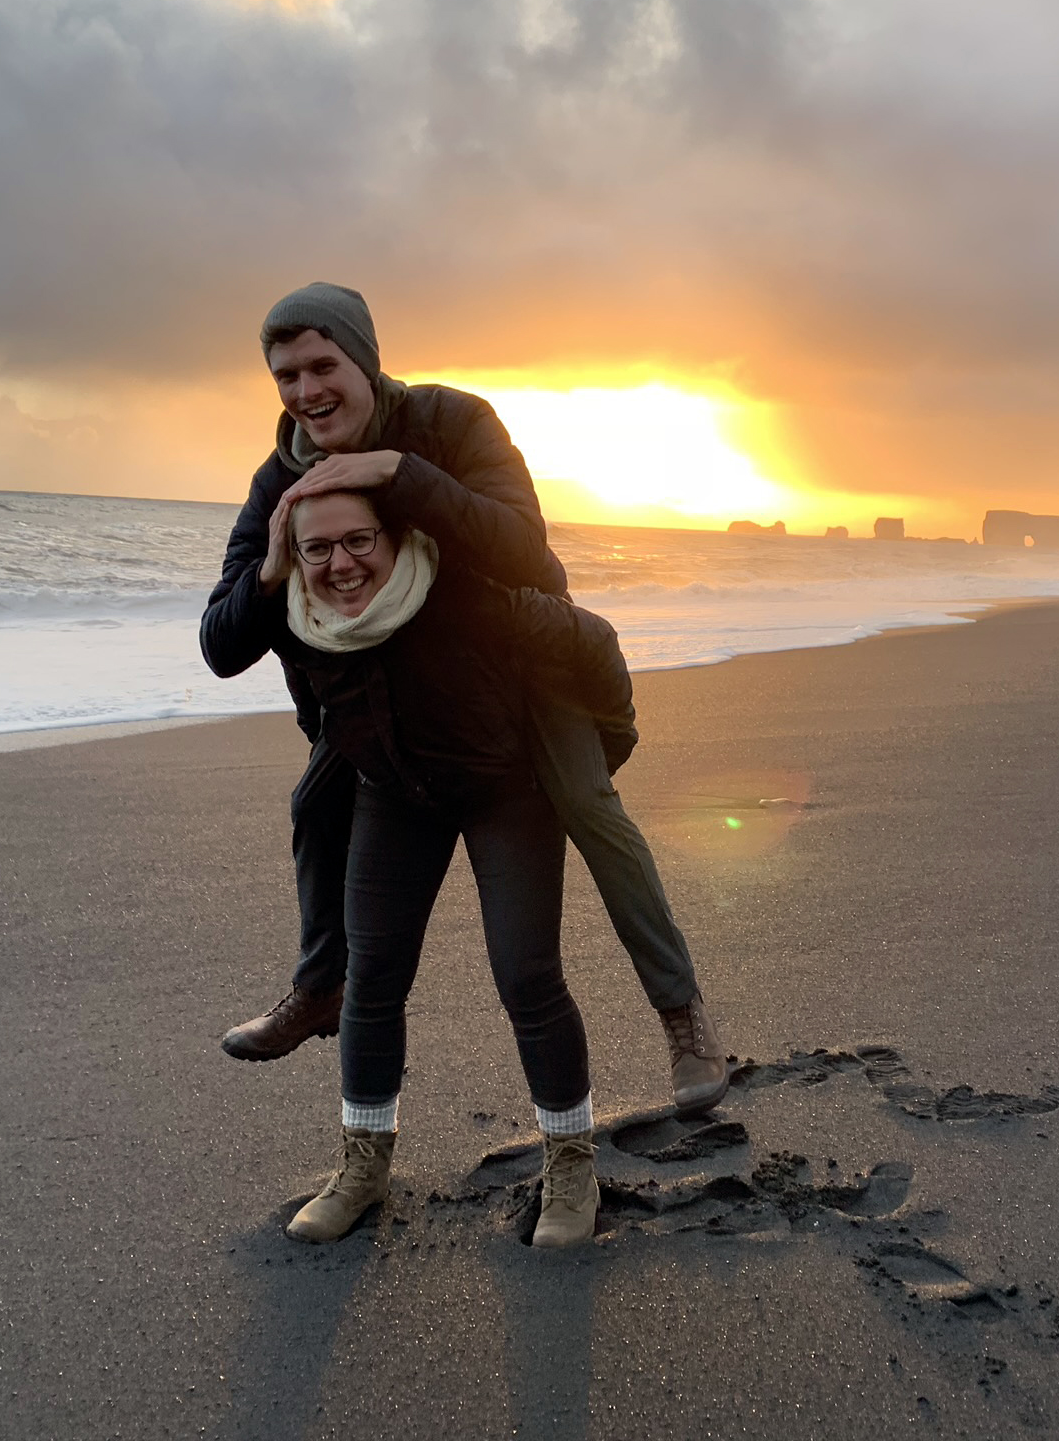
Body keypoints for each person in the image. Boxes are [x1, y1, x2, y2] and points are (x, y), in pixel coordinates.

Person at [201, 283, 729, 1114]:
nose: (306, 393)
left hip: (522, 664)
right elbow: (221, 647)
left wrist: (398, 475)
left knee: (589, 807)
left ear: (364, 359)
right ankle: (320, 988)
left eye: (321, 365)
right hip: (398, 699)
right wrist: (270, 574)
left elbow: (525, 549)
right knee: (314, 803)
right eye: (285, 376)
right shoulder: (280, 480)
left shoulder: (452, 424)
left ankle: (680, 1011)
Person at [241, 486, 626, 1245]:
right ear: (294, 557)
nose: (341, 564)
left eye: (359, 541)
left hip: (506, 792)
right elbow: (316, 715)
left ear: (394, 537)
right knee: (373, 975)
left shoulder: (466, 596)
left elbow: (594, 643)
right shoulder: (301, 623)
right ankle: (364, 1164)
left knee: (527, 974)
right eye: (317, 548)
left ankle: (572, 1162)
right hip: (396, 794)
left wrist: (598, 760)